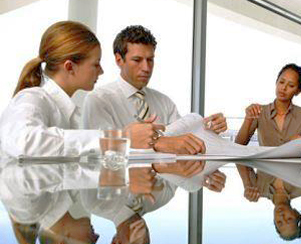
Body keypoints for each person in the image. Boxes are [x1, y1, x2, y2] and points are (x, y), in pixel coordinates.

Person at [0, 21, 162, 158]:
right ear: (70, 67)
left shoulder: (72, 117)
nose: (101, 71)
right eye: (95, 64)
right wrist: (119, 138)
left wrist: (129, 139)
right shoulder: (32, 98)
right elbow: (23, 142)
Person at [82, 25, 227, 155]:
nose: (146, 68)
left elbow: (184, 142)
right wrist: (156, 144)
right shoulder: (99, 100)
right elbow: (101, 151)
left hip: (164, 182)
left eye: (150, 60)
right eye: (137, 60)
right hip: (120, 182)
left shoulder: (164, 102)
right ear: (119, 60)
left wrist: (208, 131)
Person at [235, 63, 301, 146]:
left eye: (291, 85)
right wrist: (248, 119)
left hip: (293, 159)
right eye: (281, 82)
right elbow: (239, 144)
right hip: (264, 159)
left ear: (298, 91)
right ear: (276, 82)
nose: (283, 88)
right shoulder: (259, 111)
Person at [236, 164, 301, 240]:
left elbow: (238, 158)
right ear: (296, 213)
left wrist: (247, 184)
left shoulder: (258, 189)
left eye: (279, 222)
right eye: (289, 219)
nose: (282, 216)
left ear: (274, 220)